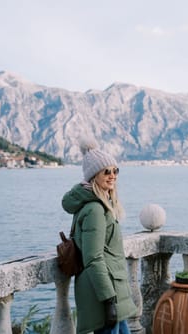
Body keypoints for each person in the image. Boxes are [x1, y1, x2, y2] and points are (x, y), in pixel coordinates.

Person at [62, 137, 137, 334]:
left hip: (111, 290)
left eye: (115, 170)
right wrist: (109, 300)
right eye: (106, 171)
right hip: (104, 293)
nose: (112, 175)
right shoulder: (95, 210)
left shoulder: (103, 205)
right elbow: (93, 258)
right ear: (93, 175)